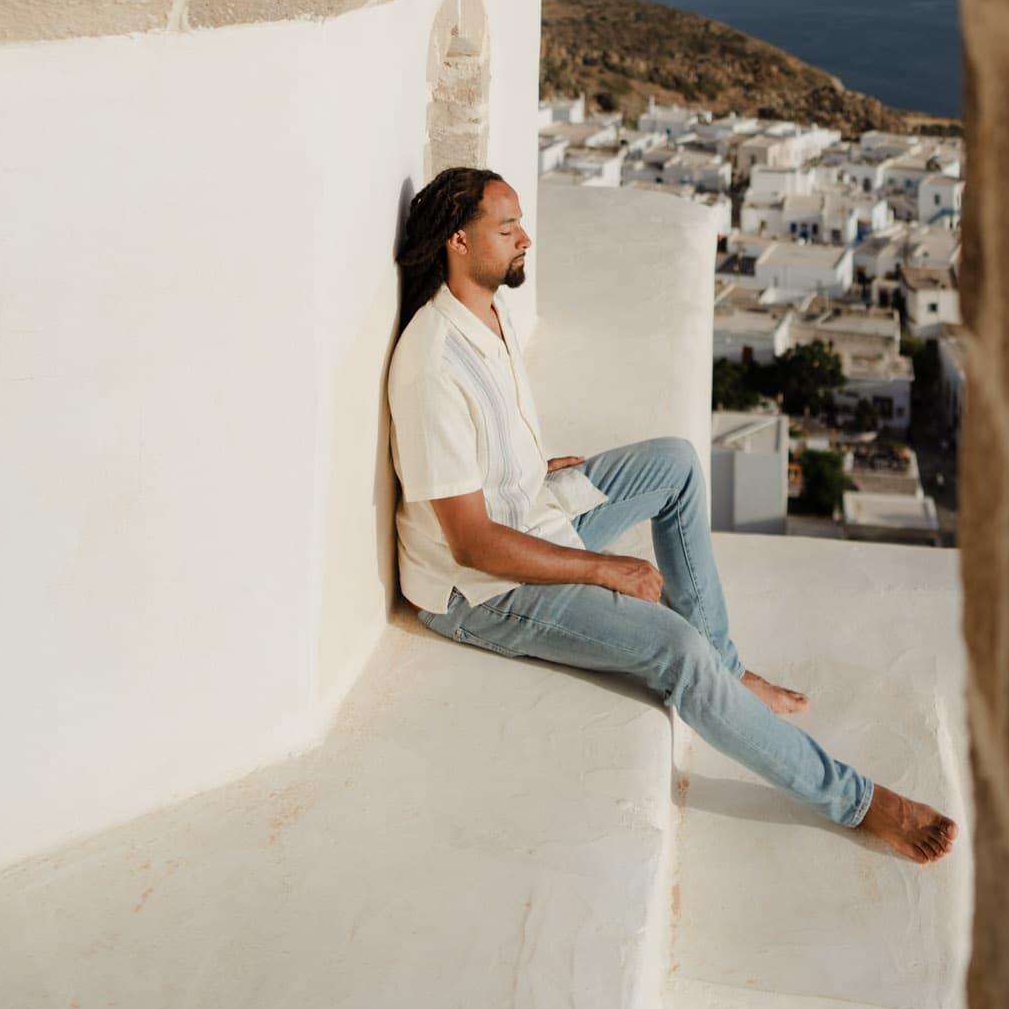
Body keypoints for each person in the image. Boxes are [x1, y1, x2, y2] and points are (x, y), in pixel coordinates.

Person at [386, 166, 959, 863]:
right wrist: (604, 569)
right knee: (675, 652)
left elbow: (488, 457)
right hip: (480, 589)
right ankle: (858, 800)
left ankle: (729, 668)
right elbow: (472, 544)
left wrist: (532, 467)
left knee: (676, 463)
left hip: (530, 511)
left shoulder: (485, 310)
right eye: (507, 230)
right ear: (457, 240)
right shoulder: (432, 364)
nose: (525, 239)